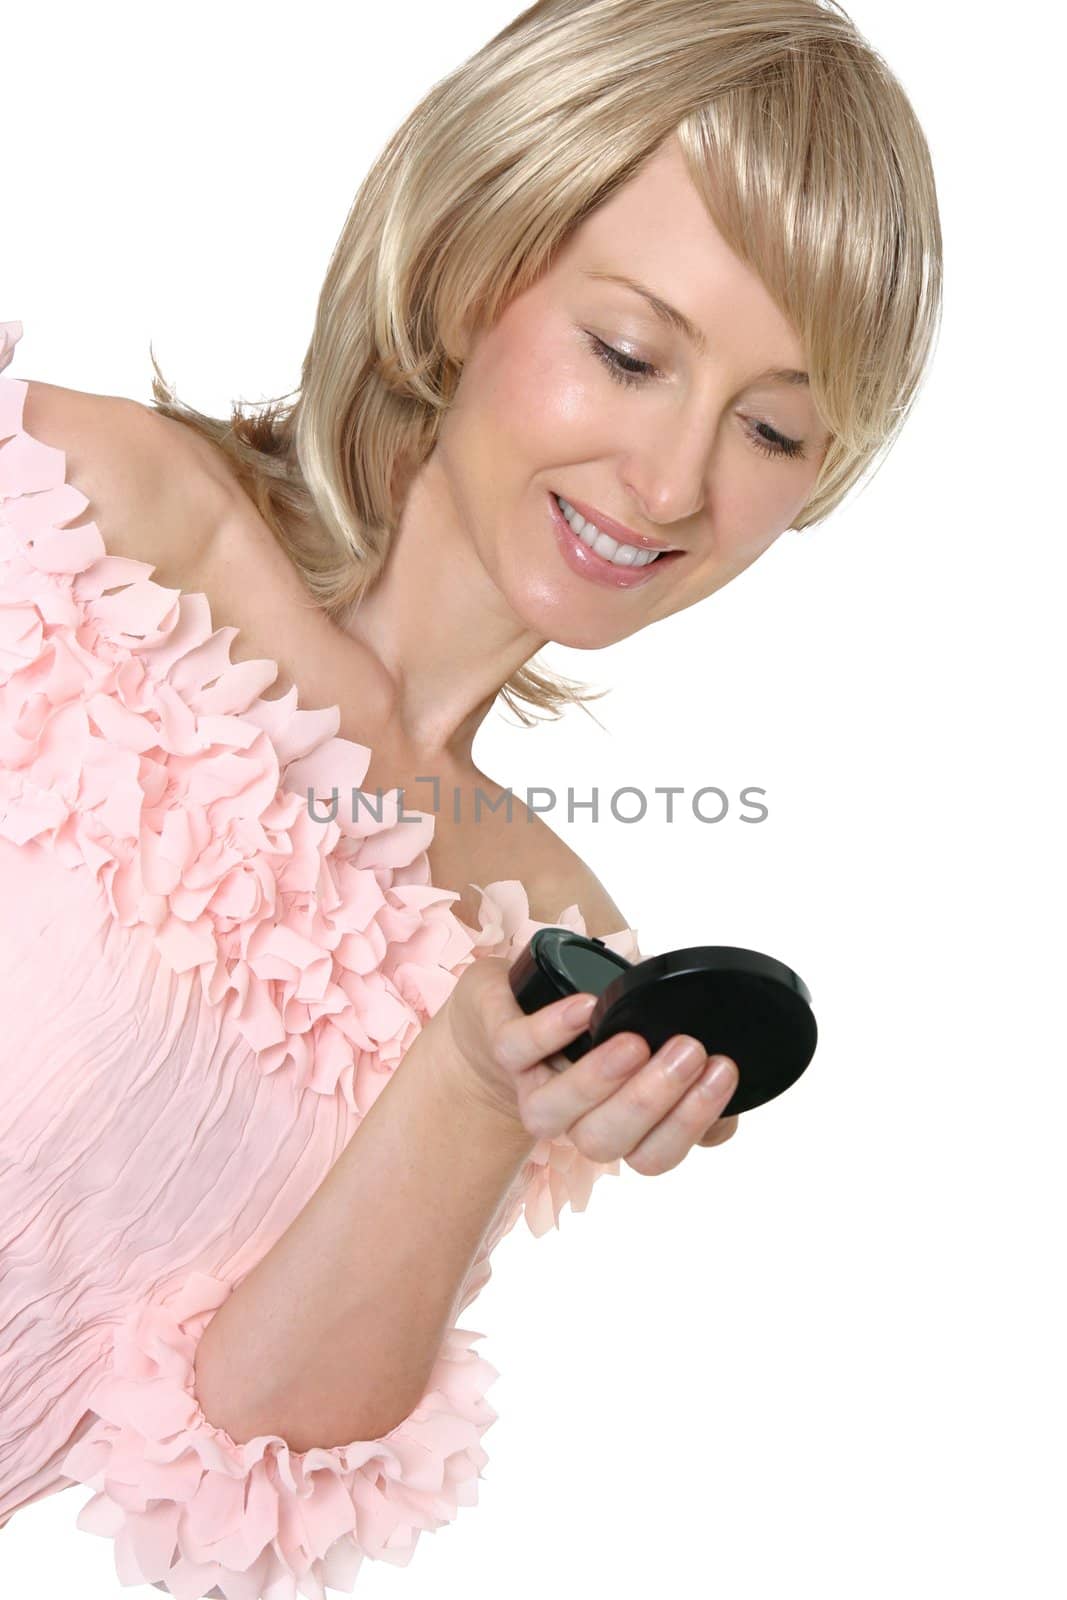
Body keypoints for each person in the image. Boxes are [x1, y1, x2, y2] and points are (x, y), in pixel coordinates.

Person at [0, 0, 942, 1593]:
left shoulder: (545, 933)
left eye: (773, 427)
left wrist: (461, 1088)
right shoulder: (78, 506)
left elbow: (227, 1462)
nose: (668, 485)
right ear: (463, 266)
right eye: (629, 354)